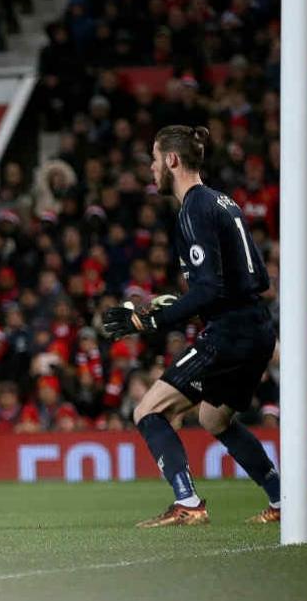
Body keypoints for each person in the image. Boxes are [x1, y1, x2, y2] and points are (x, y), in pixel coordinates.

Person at [102, 125, 280, 527]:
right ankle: (281, 498)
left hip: (230, 333)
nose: (151, 169)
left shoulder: (194, 208)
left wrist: (150, 319)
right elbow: (255, 279)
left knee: (147, 410)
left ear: (171, 160)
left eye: (154, 159)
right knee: (213, 419)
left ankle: (188, 502)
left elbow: (208, 289)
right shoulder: (223, 201)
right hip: (257, 328)